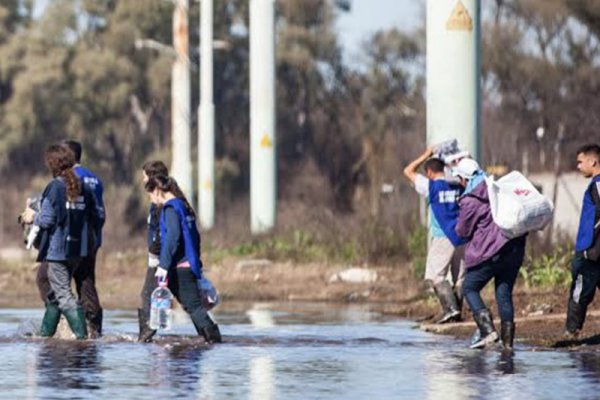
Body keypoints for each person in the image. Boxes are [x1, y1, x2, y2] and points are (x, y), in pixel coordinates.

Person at [21, 145, 102, 339]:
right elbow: (96, 217)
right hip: (78, 250)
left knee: (64, 296)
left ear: (52, 165)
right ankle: (45, 335)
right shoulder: (84, 185)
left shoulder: (54, 186)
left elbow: (47, 219)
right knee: (55, 296)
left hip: (57, 250)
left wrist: (32, 216)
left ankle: (83, 339)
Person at [453, 158, 526, 350]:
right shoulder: (498, 187)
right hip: (514, 248)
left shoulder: (471, 199)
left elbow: (462, 231)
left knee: (469, 287)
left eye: (460, 179)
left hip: (490, 251)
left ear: (464, 178)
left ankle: (487, 331)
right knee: (503, 293)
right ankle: (508, 345)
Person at [145, 175, 222, 343]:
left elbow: (172, 238)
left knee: (193, 306)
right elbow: (195, 237)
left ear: (158, 191)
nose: (151, 200)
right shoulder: (183, 206)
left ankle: (214, 339)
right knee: (191, 305)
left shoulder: (170, 209)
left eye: (150, 195)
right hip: (187, 263)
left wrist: (163, 266)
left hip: (180, 266)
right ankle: (205, 338)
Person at [403, 146, 466, 324]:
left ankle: (451, 309)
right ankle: (457, 314)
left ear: (429, 172)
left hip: (442, 236)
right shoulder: (458, 183)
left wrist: (425, 154)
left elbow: (407, 171)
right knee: (460, 278)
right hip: (462, 235)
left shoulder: (430, 186)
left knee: (436, 275)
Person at [565, 144, 600, 337]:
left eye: (580, 162)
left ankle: (571, 332)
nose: (578, 166)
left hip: (590, 250)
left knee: (579, 292)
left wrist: (590, 247)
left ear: (592, 162)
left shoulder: (597, 184)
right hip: (594, 249)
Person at [138, 160, 169, 342]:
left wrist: (154, 254)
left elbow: (162, 232)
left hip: (159, 259)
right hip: (158, 258)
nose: (142, 180)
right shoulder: (154, 202)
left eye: (144, 176)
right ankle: (147, 334)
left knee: (147, 293)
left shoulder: (161, 202)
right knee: (189, 301)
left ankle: (145, 336)